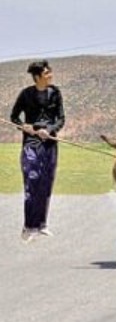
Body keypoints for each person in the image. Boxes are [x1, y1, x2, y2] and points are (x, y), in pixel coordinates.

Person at [10, 60, 65, 242]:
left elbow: (61, 119)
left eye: (50, 72)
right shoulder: (26, 94)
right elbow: (14, 117)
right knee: (32, 183)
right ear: (38, 77)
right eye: (47, 73)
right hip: (31, 144)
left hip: (50, 142)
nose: (50, 75)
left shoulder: (55, 93)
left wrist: (49, 130)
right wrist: (24, 126)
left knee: (46, 183)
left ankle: (41, 224)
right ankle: (28, 227)